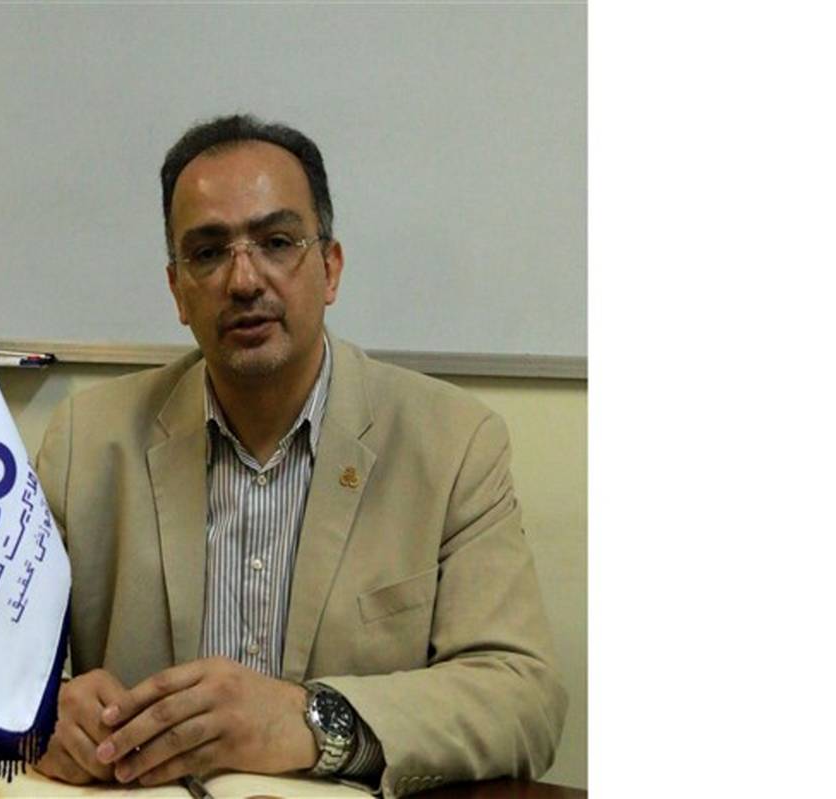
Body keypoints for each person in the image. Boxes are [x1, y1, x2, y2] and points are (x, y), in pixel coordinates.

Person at [33, 114, 567, 798]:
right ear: (177, 291)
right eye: (208, 252)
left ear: (330, 268)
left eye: (277, 242)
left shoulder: (453, 443)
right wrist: (44, 711)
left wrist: (310, 719)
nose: (243, 280)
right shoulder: (86, 441)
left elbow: (523, 699)